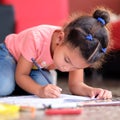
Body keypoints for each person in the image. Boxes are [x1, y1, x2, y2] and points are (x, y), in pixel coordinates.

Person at [0, 8, 112, 99]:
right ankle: (12, 80)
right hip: (9, 55)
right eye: (67, 60)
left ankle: (15, 82)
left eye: (74, 67)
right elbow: (21, 75)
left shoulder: (78, 53)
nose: (65, 68)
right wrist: (38, 90)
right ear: (59, 38)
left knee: (44, 86)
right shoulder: (36, 39)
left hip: (34, 67)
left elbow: (76, 85)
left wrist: (92, 91)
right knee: (4, 86)